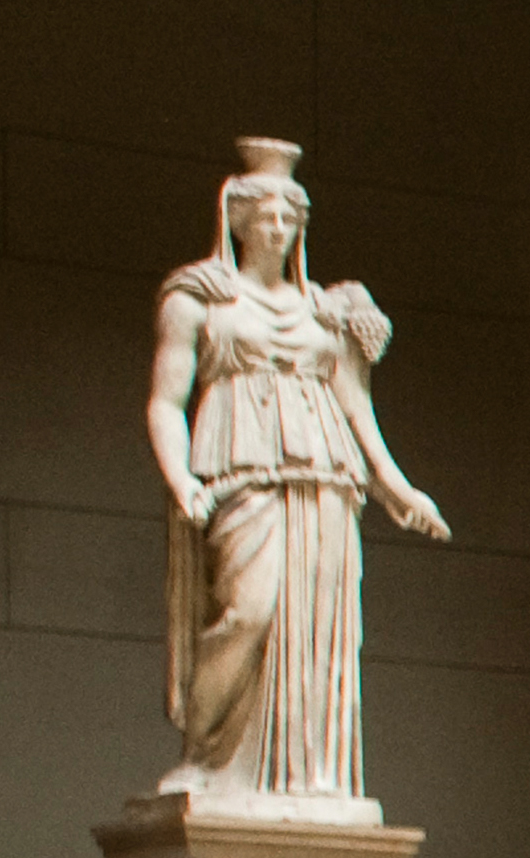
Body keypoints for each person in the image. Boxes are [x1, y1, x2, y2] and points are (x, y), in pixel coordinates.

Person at [147, 137, 449, 800]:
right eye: (266, 216)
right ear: (238, 220)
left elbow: (355, 408)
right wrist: (181, 480)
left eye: (289, 218)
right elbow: (166, 402)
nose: (278, 228)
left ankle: (304, 776)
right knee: (247, 612)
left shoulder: (326, 311)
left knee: (314, 637)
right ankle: (207, 751)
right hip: (240, 469)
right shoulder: (197, 298)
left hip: (325, 483)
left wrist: (398, 487)